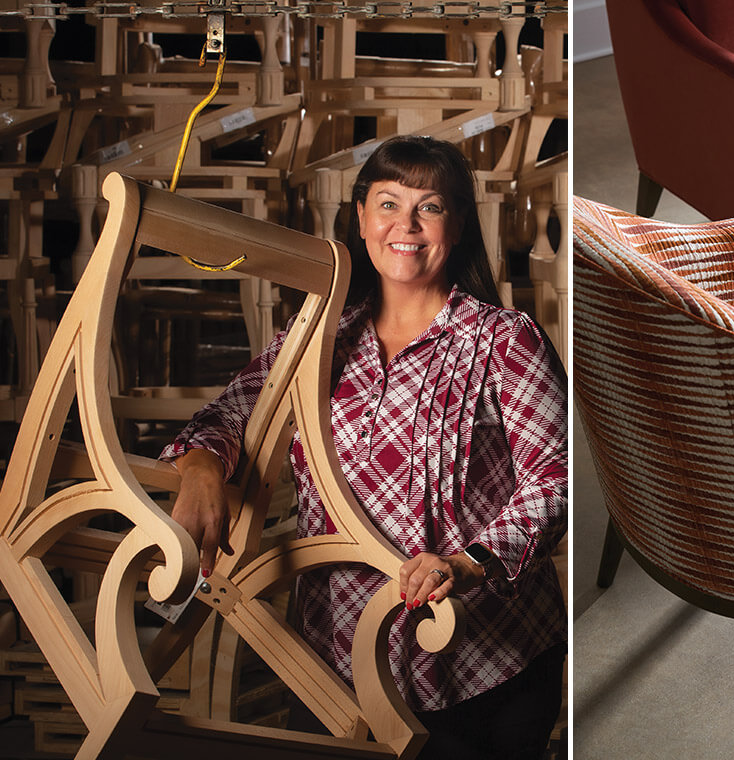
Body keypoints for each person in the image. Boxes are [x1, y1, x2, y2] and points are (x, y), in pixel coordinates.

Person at [160, 135, 567, 759]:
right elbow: (227, 413)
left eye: (428, 207)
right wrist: (202, 467)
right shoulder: (316, 339)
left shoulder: (503, 339)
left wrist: (465, 562)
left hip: (485, 663)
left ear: (457, 224)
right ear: (360, 217)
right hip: (334, 660)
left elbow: (554, 483)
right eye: (388, 203)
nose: (405, 225)